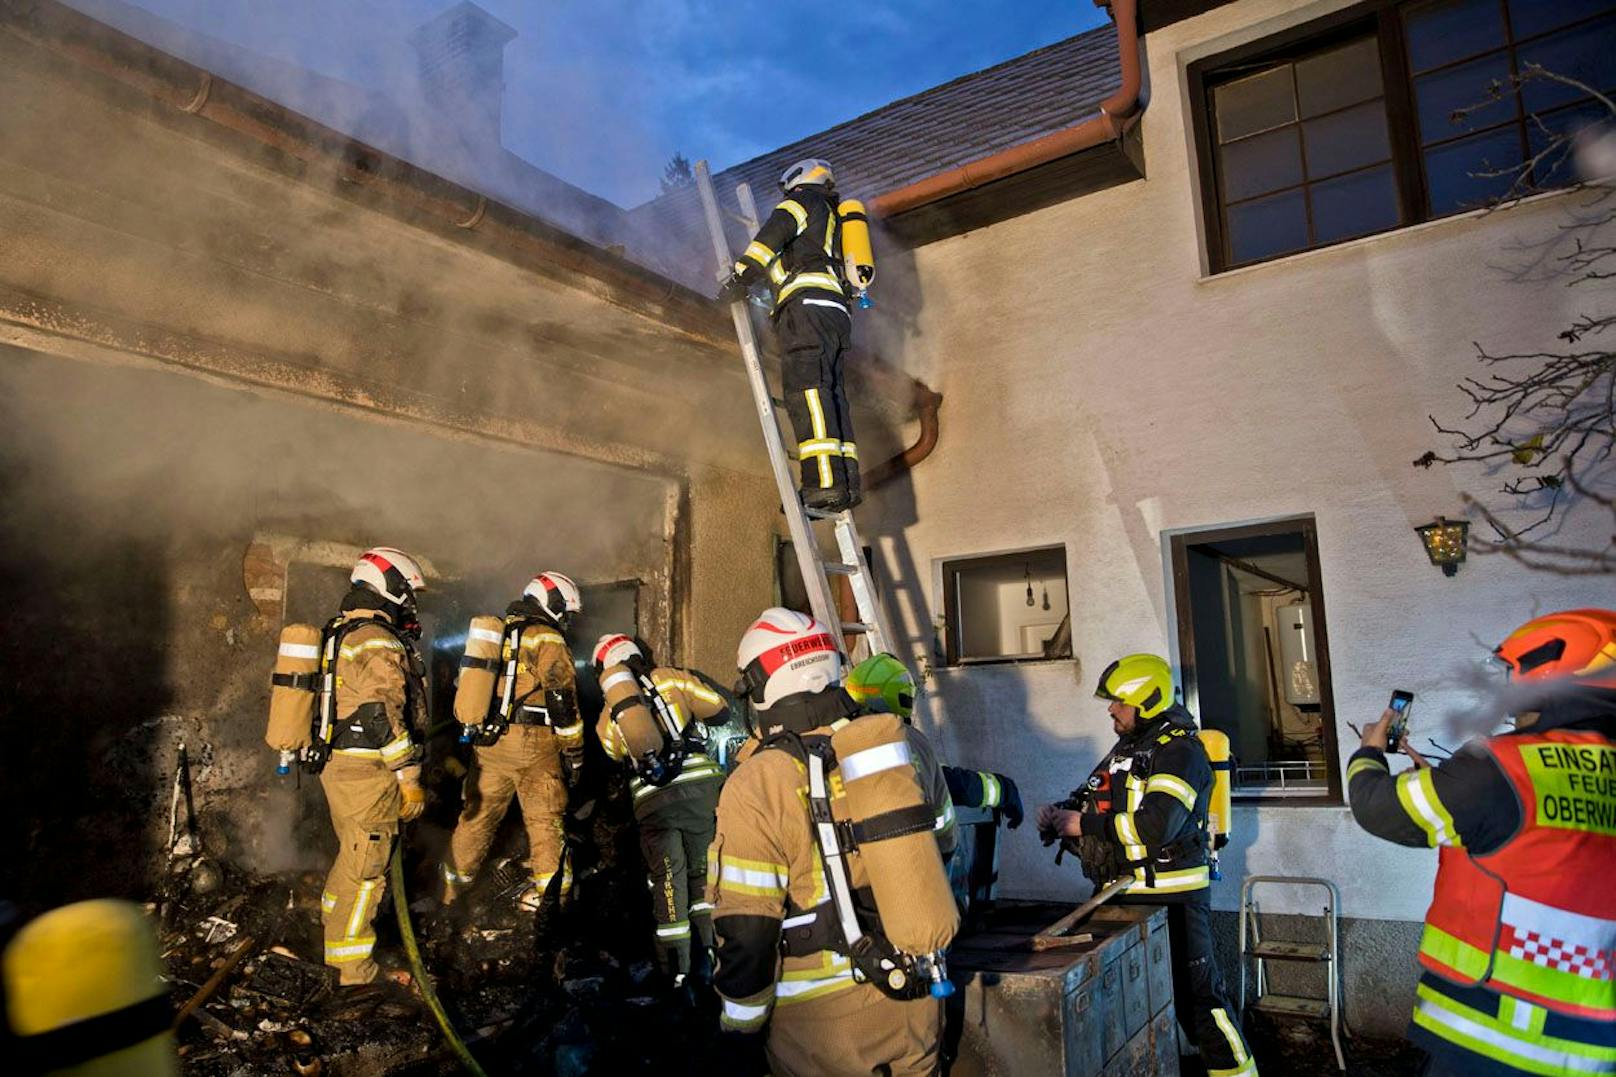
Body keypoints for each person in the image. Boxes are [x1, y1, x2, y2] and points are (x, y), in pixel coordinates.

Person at [1347, 608, 1616, 1076]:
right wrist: (1438, 782)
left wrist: (1369, 750)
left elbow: (1377, 807)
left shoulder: (1505, 765)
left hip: (1494, 1038)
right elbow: (1529, 843)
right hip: (1590, 1045)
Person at [708, 609, 959, 1076]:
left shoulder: (759, 781)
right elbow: (944, 845)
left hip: (819, 1030)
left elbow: (747, 930)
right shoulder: (903, 745)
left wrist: (738, 1031)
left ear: (763, 685)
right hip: (919, 1002)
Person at [1037, 653, 1257, 1077]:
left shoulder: (1180, 752)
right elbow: (1097, 798)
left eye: (1119, 701)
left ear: (1146, 701)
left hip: (1172, 898)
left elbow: (1159, 823)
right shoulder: (1129, 747)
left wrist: (1082, 823)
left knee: (1200, 1003)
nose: (1111, 709)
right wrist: (1061, 816)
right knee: (1128, 1000)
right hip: (1122, 892)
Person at [310, 547, 429, 985]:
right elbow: (381, 714)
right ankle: (352, 970)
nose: (409, 603)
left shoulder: (342, 631)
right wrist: (410, 777)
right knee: (367, 870)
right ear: (391, 586)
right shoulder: (378, 639)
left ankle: (330, 930)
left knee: (352, 854)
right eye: (407, 592)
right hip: (369, 773)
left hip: (341, 766)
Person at [719, 158, 861, 511]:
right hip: (836, 312)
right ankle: (846, 486)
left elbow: (768, 241)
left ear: (797, 181)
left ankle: (823, 485)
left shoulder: (801, 202)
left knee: (808, 391)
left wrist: (739, 277)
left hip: (807, 308)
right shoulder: (834, 218)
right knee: (832, 396)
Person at [590, 633, 728, 986]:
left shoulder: (610, 712)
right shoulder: (670, 677)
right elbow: (715, 706)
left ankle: (676, 973)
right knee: (705, 873)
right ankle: (715, 956)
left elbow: (611, 750)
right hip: (700, 791)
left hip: (652, 803)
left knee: (668, 879)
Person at [442, 572, 584, 910]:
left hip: (490, 745)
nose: (566, 619)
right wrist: (574, 749)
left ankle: (450, 896)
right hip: (533, 745)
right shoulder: (546, 637)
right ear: (553, 604)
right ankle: (551, 902)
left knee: (476, 818)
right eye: (565, 611)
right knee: (545, 821)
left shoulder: (499, 634)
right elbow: (561, 697)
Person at [845, 652, 1027, 838]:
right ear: (902, 699)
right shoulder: (897, 746)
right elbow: (947, 782)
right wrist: (1005, 790)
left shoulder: (833, 741)